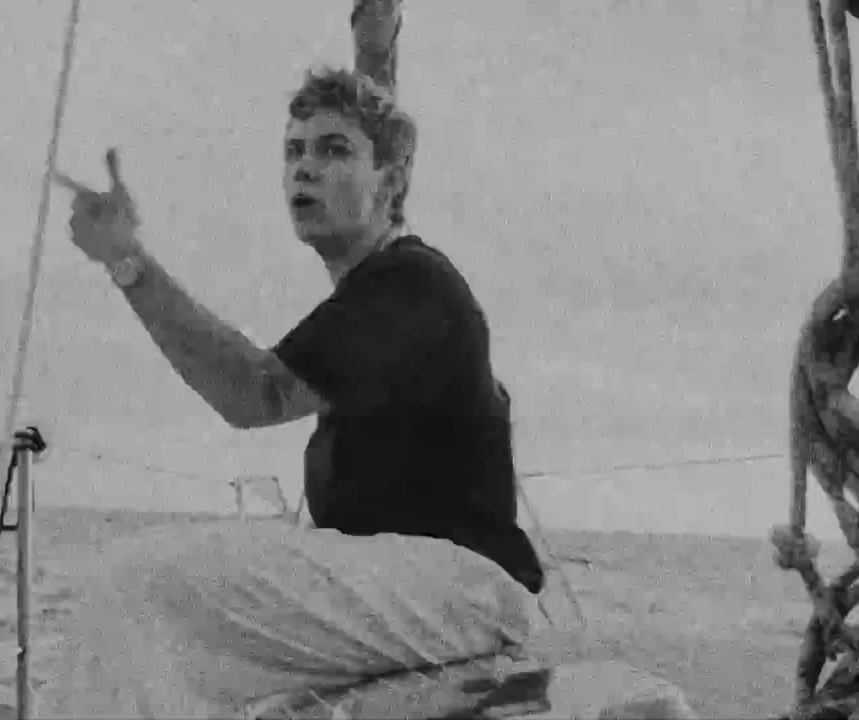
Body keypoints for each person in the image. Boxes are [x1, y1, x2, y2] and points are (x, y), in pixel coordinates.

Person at [47, 66, 545, 718]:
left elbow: (253, 393)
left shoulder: (412, 286)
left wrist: (127, 262)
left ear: (391, 181)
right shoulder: (374, 294)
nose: (304, 168)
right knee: (188, 665)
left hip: (463, 588)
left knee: (135, 586)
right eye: (294, 151)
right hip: (421, 585)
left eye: (333, 150)